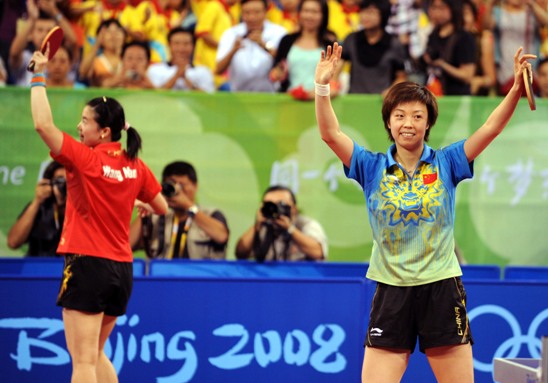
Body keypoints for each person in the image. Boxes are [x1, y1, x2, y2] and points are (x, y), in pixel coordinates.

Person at [314, 41, 535, 382]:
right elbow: (330, 134)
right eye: (400, 115)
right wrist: (322, 86)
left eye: (418, 116)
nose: (408, 123)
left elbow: (490, 129)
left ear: (428, 122)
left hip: (441, 287)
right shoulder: (370, 167)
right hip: (391, 290)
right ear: (388, 122)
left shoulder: (447, 162)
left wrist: (516, 89)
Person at [28, 47, 168, 382]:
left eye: (85, 121)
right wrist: (139, 203)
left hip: (87, 264)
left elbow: (42, 124)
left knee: (83, 363)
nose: (78, 126)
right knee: (95, 355)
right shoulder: (136, 165)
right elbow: (161, 207)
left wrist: (37, 75)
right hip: (121, 270)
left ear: (104, 131)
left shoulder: (86, 160)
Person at [130, 161, 230, 259]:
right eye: (171, 186)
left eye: (182, 185)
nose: (177, 190)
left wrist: (188, 206)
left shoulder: (211, 214)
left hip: (201, 275)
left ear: (195, 186)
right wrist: (151, 205)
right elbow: (127, 244)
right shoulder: (155, 217)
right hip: (161, 275)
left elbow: (222, 236)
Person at [235, 185, 327, 261]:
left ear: (294, 209)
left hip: (304, 279)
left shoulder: (307, 224)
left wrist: (290, 229)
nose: (275, 209)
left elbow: (318, 253)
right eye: (270, 204)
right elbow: (240, 254)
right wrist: (257, 225)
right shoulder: (264, 227)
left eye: (280, 204)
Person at [270, 0, 337, 100]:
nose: (309, 16)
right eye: (306, 11)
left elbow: (334, 82)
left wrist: (313, 95)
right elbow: (275, 73)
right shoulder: (286, 41)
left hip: (320, 102)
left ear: (324, 15)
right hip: (289, 101)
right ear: (299, 13)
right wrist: (278, 73)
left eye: (315, 12)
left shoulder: (330, 45)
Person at [215, 0, 287, 92]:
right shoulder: (231, 34)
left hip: (271, 96)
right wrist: (233, 50)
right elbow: (218, 70)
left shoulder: (279, 32)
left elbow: (284, 63)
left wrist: (264, 45)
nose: (251, 17)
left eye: (257, 12)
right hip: (239, 96)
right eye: (246, 13)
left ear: (266, 11)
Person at [338, 0, 407, 95]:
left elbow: (401, 77)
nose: (365, 16)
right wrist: (333, 85)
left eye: (371, 12)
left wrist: (391, 91)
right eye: (363, 11)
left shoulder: (393, 44)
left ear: (383, 14)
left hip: (382, 101)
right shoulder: (351, 39)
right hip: (355, 99)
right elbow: (337, 67)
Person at [9, 0, 77, 86]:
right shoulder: (27, 59)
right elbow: (14, 53)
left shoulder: (63, 59)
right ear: (31, 34)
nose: (45, 34)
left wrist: (54, 12)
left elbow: (73, 42)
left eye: (49, 30)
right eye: (40, 30)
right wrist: (32, 20)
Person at [7, 161, 67, 256]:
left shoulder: (83, 212)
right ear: (50, 184)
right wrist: (37, 201)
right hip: (38, 268)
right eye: (59, 181)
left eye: (69, 182)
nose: (64, 186)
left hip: (70, 269)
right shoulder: (40, 209)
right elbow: (13, 242)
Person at [422, 0, 477, 95]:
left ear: (453, 8)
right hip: (435, 94)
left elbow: (467, 75)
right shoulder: (433, 35)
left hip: (457, 98)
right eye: (434, 7)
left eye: (442, 7)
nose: (437, 12)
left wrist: (442, 65)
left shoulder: (464, 37)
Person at [147, 27, 215, 92]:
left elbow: (209, 99)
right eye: (176, 44)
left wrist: (186, 80)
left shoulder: (203, 71)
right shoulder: (155, 69)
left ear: (193, 46)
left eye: (186, 44)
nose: (181, 48)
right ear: (169, 46)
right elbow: (154, 96)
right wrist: (177, 75)